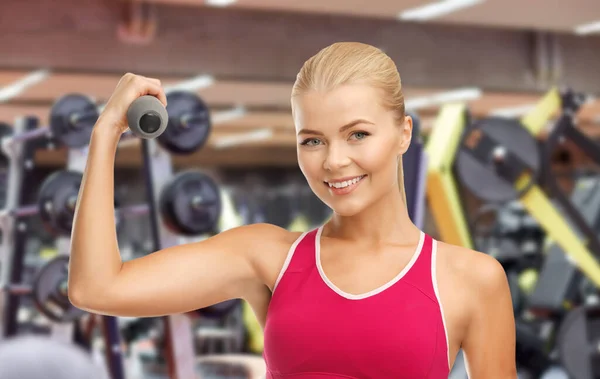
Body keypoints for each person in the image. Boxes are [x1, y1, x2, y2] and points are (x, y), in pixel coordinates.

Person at [68, 42, 517, 378]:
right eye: (313, 140)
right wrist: (105, 131)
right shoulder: (268, 257)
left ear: (403, 134)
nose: (334, 160)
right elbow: (96, 288)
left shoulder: (471, 279)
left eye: (357, 134)